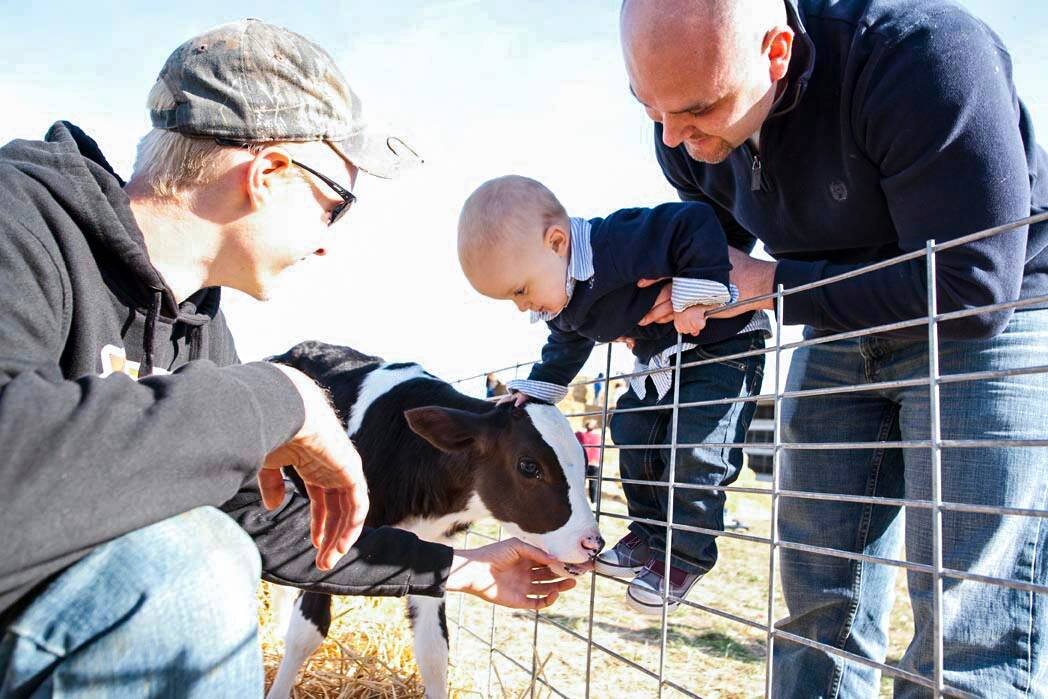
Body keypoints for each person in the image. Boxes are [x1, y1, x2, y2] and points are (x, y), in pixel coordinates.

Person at [0, 20, 575, 697]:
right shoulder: (20, 222)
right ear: (269, 174)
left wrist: (464, 567)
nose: (329, 243)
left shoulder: (198, 328)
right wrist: (279, 395)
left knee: (219, 544)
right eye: (334, 207)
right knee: (196, 562)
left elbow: (263, 523)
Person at [620, 0, 1048, 695]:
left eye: (697, 107)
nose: (672, 135)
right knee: (821, 598)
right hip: (837, 321)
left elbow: (975, 288)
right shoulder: (683, 126)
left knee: (969, 619)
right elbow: (720, 263)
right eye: (649, 106)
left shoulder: (923, 58)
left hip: (989, 319)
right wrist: (652, 303)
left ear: (777, 53)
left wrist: (776, 284)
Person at [457, 175, 767, 614]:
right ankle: (648, 535)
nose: (522, 306)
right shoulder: (563, 303)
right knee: (632, 433)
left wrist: (698, 291)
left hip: (725, 345)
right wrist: (537, 390)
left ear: (557, 242)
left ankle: (684, 558)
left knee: (696, 451)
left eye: (521, 289)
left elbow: (692, 222)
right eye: (512, 298)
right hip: (662, 358)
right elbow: (566, 347)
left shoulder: (616, 243)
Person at [574, 418, 602, 503]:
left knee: (588, 484)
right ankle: (592, 501)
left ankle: (592, 501)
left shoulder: (580, 434)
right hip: (589, 463)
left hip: (587, 463)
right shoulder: (598, 436)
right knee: (590, 484)